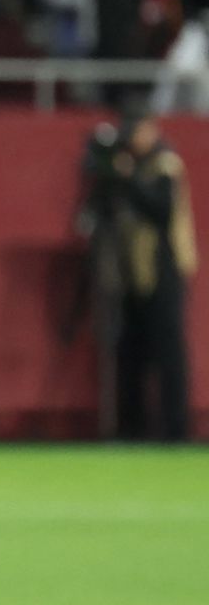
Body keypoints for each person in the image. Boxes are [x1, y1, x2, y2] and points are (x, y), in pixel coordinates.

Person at [81, 111, 197, 440]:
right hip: (131, 272)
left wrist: (128, 177)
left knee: (168, 351)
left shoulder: (164, 164)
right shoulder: (131, 164)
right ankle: (133, 427)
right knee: (130, 351)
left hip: (164, 268)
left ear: (150, 130)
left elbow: (161, 210)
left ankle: (175, 429)